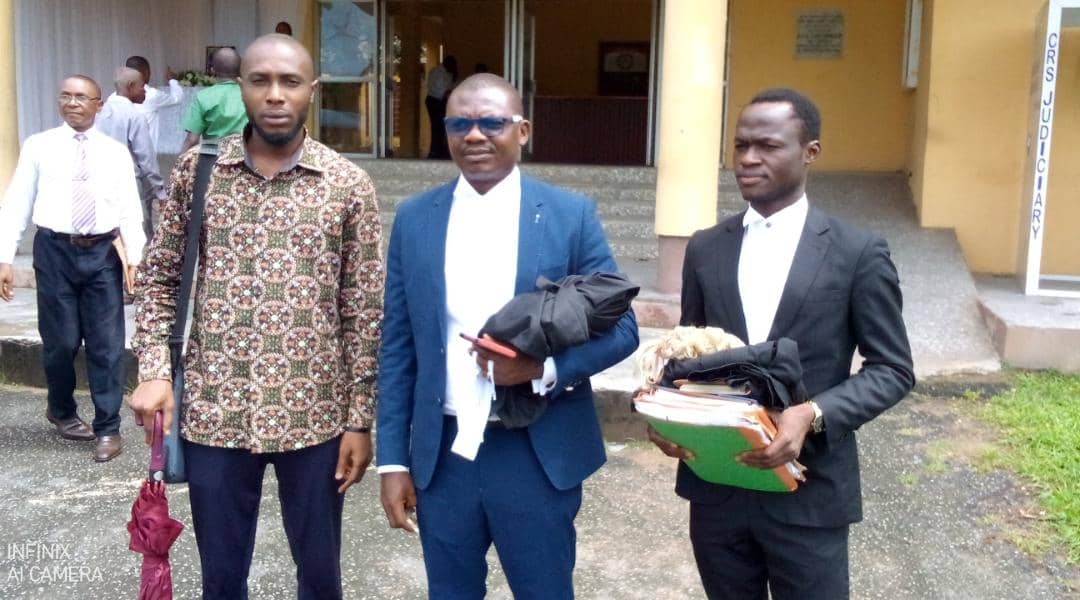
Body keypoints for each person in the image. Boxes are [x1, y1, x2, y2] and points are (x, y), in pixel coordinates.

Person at [129, 34, 383, 600]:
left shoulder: (346, 185)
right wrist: (152, 369)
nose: (274, 95)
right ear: (239, 87)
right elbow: (162, 280)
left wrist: (359, 420)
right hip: (215, 411)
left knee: (320, 574)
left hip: (314, 415)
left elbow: (364, 310)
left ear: (311, 92)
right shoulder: (199, 172)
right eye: (260, 80)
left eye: (289, 82)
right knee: (221, 575)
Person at [377, 73, 639, 599]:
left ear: (522, 130)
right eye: (460, 123)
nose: (474, 135)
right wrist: (393, 460)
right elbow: (399, 345)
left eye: (491, 122)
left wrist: (543, 370)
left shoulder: (568, 215)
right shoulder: (413, 218)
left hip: (535, 451)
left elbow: (624, 327)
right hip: (444, 455)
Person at [648, 88, 915, 599]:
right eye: (741, 145)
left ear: (810, 152)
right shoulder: (705, 247)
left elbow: (893, 369)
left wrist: (811, 413)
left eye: (767, 146)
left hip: (809, 491)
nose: (748, 159)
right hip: (719, 489)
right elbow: (691, 357)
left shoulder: (857, 252)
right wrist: (669, 415)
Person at [0, 75, 145, 462]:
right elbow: (16, 202)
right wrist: (4, 256)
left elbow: (131, 208)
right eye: (65, 95)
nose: (72, 102)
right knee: (61, 341)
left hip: (102, 254)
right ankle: (61, 410)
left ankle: (108, 428)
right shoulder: (39, 146)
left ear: (99, 105)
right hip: (54, 251)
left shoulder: (115, 152)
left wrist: (136, 258)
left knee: (106, 345)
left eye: (82, 97)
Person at [96, 67, 167, 242]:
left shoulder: (99, 113)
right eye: (142, 87)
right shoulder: (135, 116)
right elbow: (146, 159)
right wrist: (161, 192)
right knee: (136, 232)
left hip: (99, 179)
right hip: (130, 182)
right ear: (130, 86)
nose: (144, 91)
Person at [179, 46, 247, 154]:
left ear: (212, 70)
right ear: (240, 68)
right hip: (246, 158)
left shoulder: (202, 97)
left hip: (214, 160)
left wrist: (180, 165)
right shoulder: (251, 94)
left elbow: (192, 140)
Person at [122, 55, 183, 153]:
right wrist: (172, 80)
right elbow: (177, 98)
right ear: (146, 73)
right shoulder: (152, 94)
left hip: (123, 152)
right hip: (145, 154)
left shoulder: (114, 97)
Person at [424, 55, 457, 159]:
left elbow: (449, 88)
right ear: (447, 64)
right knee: (438, 127)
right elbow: (443, 91)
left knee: (439, 128)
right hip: (435, 101)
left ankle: (438, 152)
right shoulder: (438, 73)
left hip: (438, 101)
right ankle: (436, 153)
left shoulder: (445, 73)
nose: (454, 68)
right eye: (453, 65)